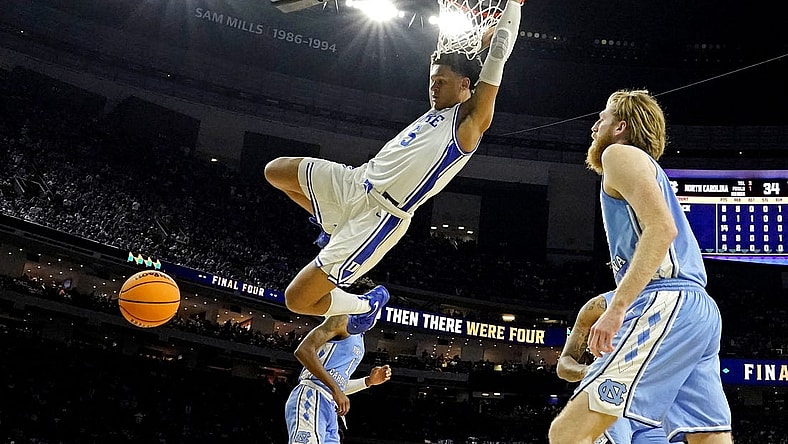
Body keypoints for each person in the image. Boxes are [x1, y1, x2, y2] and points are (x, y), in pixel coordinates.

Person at [264, 0, 526, 334]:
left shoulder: (471, 123)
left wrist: (513, 8)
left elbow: (500, 53)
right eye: (431, 81)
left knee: (297, 299)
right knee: (275, 170)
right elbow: (463, 52)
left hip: (381, 216)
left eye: (441, 82)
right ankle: (330, 222)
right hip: (356, 181)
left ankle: (364, 305)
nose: (433, 88)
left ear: (465, 85)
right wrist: (476, 40)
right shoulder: (436, 111)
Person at [548, 89, 733, 444]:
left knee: (566, 433)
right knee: (708, 438)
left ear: (620, 127)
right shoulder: (642, 169)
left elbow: (662, 228)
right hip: (699, 313)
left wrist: (618, 308)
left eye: (601, 117)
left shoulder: (619, 154)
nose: (594, 125)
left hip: (667, 299)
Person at [557, 291, 669, 444]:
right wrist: (590, 372)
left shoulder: (676, 303)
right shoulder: (599, 306)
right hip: (611, 397)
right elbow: (564, 364)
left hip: (652, 405)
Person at [285, 313, 392, 444]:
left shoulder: (360, 341)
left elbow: (339, 386)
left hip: (330, 405)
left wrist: (368, 381)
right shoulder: (343, 320)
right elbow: (303, 351)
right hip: (312, 394)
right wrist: (336, 390)